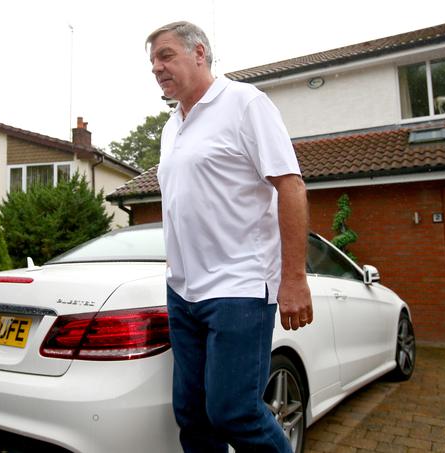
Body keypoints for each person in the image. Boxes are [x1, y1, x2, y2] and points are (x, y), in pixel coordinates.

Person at [147, 21, 314, 452]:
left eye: (165, 56)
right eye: (152, 61)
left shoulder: (244, 103)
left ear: (199, 53)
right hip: (183, 291)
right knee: (193, 416)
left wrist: (293, 278)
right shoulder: (172, 127)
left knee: (233, 410)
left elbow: (291, 187)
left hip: (239, 285)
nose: (156, 67)